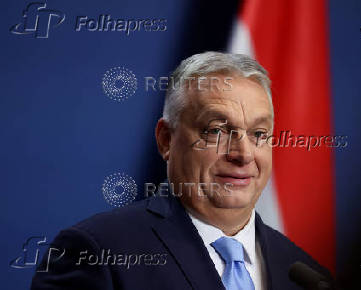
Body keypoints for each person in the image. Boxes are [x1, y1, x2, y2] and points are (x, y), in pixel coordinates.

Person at [31, 52, 331, 290]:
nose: (244, 154)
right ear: (166, 140)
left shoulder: (306, 274)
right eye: (216, 131)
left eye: (259, 134)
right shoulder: (98, 253)